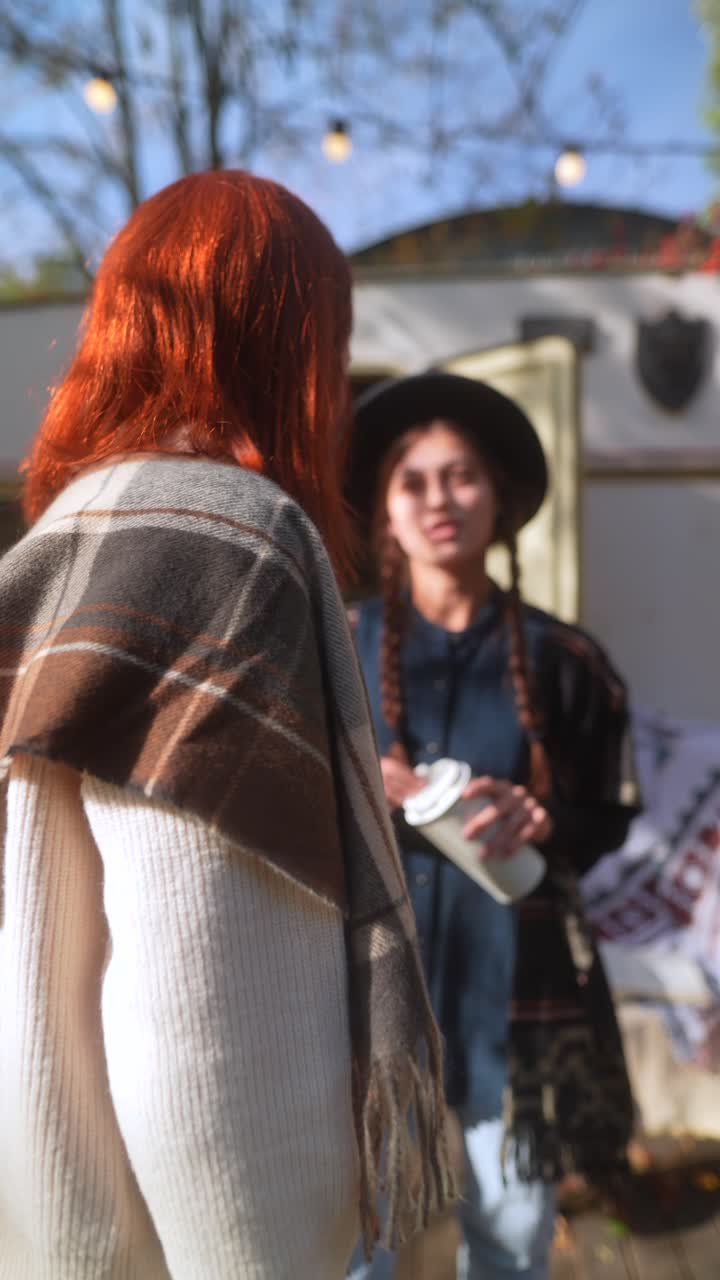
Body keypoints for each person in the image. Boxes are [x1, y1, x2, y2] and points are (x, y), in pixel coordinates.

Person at [0, 174, 455, 1279]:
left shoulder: (54, 545)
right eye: (330, 345)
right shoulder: (233, 541)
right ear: (286, 345)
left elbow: (35, 965)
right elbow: (203, 993)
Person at [345, 371, 640, 1280]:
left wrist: (545, 818)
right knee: (351, 1255)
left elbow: (609, 818)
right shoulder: (335, 652)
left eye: (461, 475)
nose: (439, 499)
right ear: (385, 510)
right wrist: (359, 789)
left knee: (510, 1249)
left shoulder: (567, 661)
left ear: (501, 501)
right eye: (414, 479)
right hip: (360, 1012)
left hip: (512, 1012)